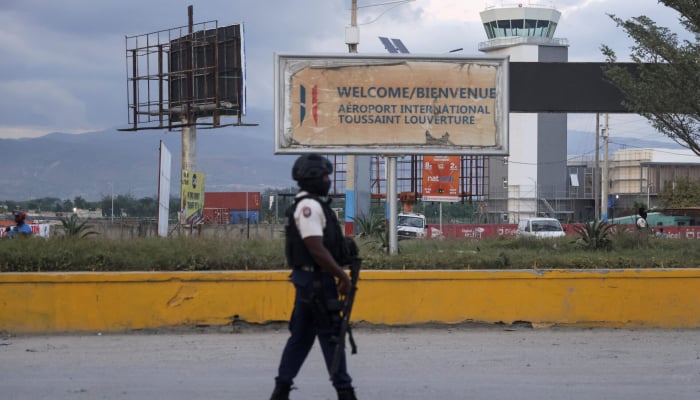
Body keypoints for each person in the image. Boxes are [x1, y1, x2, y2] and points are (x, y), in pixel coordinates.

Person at [270, 154, 357, 400]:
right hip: (316, 283)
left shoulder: (312, 205)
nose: (328, 180)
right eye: (325, 176)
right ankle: (345, 391)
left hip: (309, 281)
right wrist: (342, 276)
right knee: (331, 335)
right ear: (313, 178)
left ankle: (281, 389)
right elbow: (315, 247)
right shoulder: (309, 207)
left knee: (301, 337)